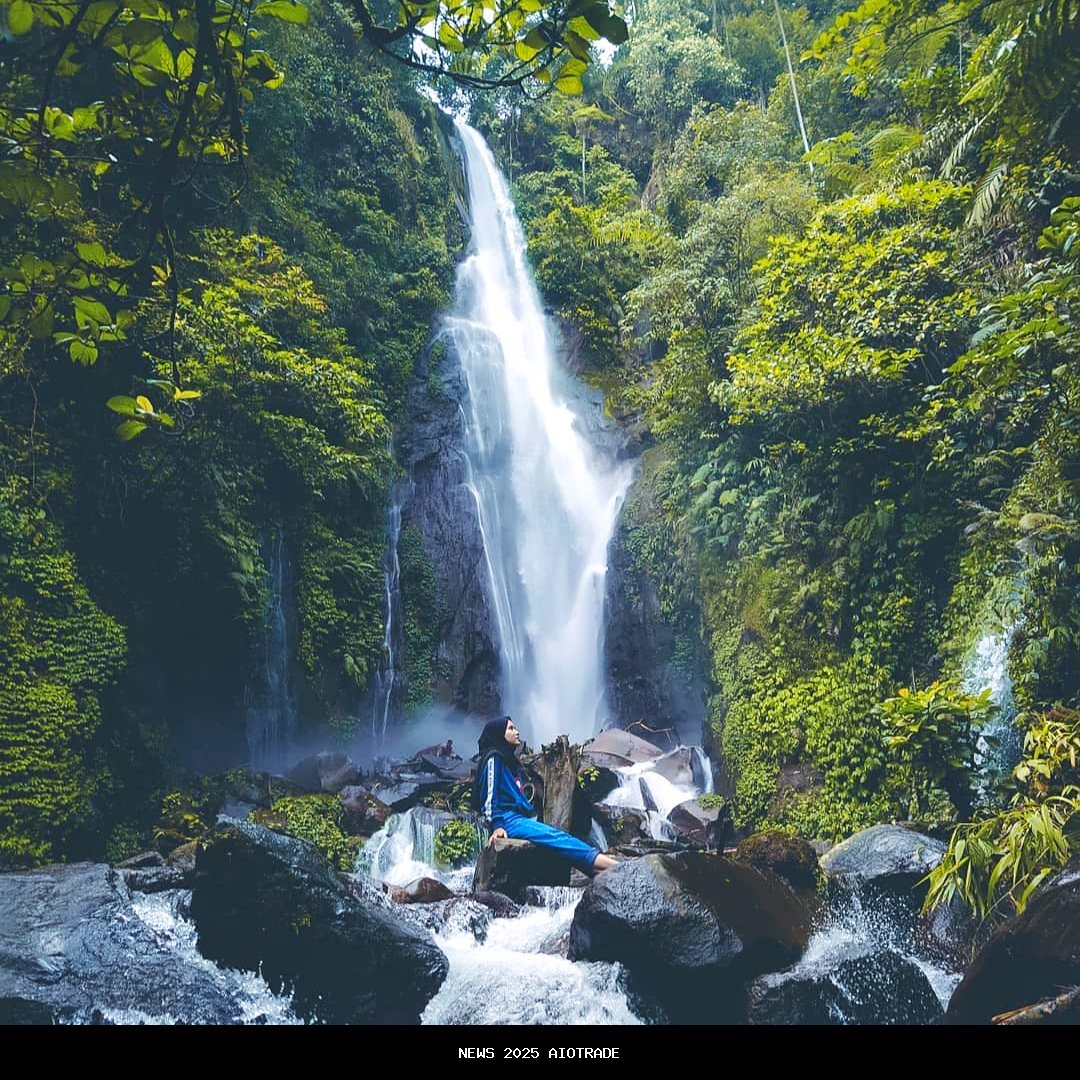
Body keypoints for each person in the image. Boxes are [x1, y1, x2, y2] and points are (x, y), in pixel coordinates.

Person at [473, 715, 618, 874]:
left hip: (518, 817)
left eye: (515, 727)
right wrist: (497, 825)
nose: (517, 732)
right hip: (508, 820)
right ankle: (614, 867)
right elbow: (489, 796)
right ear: (499, 733)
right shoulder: (494, 758)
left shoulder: (508, 761)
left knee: (554, 839)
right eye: (511, 728)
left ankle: (597, 870)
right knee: (555, 837)